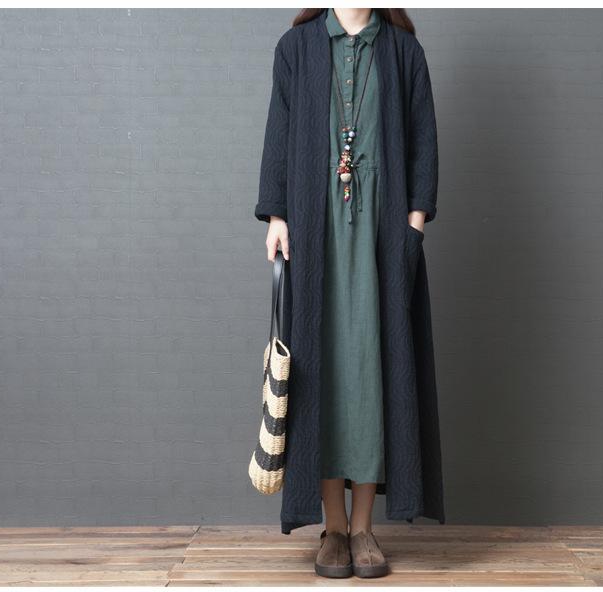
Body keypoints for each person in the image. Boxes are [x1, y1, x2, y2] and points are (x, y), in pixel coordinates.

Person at [255, 7, 445, 579]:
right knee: (321, 374)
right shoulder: (295, 48)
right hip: (315, 234)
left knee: (372, 373)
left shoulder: (405, 52)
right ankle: (333, 528)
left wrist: (413, 223)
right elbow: (279, 132)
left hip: (382, 236)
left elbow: (423, 139)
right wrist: (277, 215)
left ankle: (363, 528)